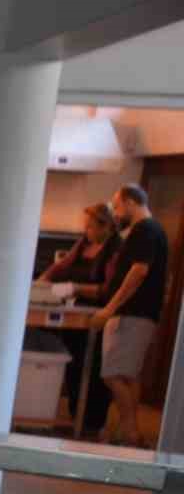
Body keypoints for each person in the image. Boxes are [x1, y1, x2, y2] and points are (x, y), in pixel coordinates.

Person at [37, 202, 120, 436]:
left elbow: (108, 288)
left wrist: (76, 287)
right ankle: (76, 414)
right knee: (74, 365)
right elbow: (60, 267)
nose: (87, 232)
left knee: (93, 369)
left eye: (91, 227)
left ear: (105, 227)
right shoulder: (84, 244)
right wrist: (39, 285)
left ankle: (92, 423)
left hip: (99, 315)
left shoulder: (115, 250)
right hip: (77, 312)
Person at [98, 183, 169, 446]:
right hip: (141, 314)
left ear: (130, 202)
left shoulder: (145, 230)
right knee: (129, 375)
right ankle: (127, 429)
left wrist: (110, 308)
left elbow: (138, 271)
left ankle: (130, 431)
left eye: (117, 206)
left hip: (133, 313)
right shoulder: (152, 230)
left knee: (112, 374)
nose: (115, 213)